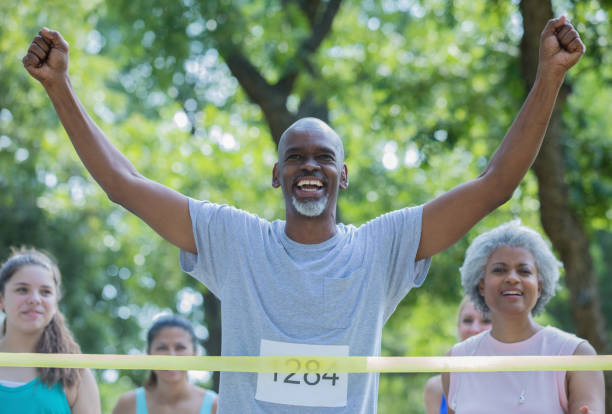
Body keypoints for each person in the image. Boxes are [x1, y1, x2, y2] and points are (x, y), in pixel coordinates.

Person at [22, 15, 584, 413]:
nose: (308, 167)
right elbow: (125, 185)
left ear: (343, 176)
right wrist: (60, 86)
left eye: (323, 158)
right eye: (294, 157)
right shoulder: (232, 237)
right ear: (276, 174)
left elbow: (495, 186)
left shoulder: (383, 245)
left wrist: (549, 76)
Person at [441, 221, 605, 413]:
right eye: (499, 270)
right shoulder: (456, 359)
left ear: (539, 285)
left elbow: (590, 408)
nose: (512, 278)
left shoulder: (576, 353)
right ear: (481, 284)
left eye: (524, 271)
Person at [0, 247, 100, 413]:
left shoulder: (75, 374)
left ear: (56, 303)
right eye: (22, 290)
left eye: (45, 292)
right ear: (1, 299)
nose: (34, 300)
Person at [113, 314, 217, 414]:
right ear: (149, 354)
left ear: (194, 353)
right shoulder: (127, 405)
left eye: (180, 347)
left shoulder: (215, 405)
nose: (171, 356)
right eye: (162, 348)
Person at [423, 297, 491, 414]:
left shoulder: (516, 381)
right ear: (458, 327)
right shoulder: (435, 388)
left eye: (485, 321)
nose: (475, 329)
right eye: (468, 321)